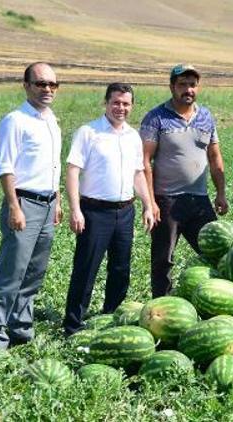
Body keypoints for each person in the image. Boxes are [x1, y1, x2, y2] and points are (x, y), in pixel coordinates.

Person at [62, 83, 155, 336]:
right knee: (86, 267)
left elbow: (138, 174)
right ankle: (73, 325)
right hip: (94, 211)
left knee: (120, 269)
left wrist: (147, 204)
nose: (121, 108)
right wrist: (75, 209)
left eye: (126, 103)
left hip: (125, 211)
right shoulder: (88, 132)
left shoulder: (133, 136)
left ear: (132, 106)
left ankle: (111, 318)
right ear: (106, 103)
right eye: (116, 102)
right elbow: (72, 170)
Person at [0, 62, 63, 348]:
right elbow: (5, 167)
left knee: (34, 272)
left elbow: (52, 165)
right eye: (41, 83)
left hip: (47, 204)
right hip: (24, 203)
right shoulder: (15, 120)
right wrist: (14, 206)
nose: (47, 89)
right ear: (26, 85)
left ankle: (20, 329)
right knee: (12, 271)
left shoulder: (51, 119)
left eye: (53, 84)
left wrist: (58, 199)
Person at [140, 64, 228, 298]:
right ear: (172, 87)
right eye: (182, 85)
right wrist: (150, 202)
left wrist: (220, 193)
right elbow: (145, 161)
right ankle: (162, 307)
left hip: (199, 199)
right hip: (166, 200)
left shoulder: (206, 116)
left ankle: (214, 300)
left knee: (215, 253)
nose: (188, 89)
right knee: (163, 259)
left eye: (192, 84)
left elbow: (214, 156)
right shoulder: (156, 117)